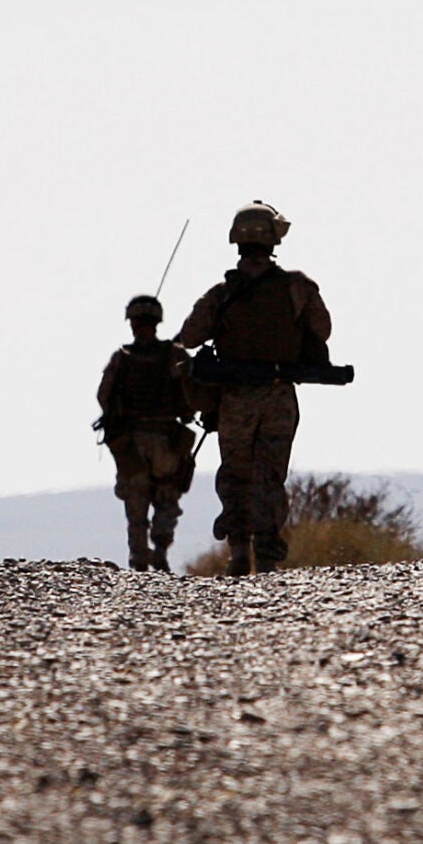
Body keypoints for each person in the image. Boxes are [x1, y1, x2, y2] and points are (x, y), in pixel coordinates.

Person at [173, 203, 333, 575]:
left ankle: (239, 550)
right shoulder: (299, 287)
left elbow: (190, 336)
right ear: (274, 238)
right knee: (270, 472)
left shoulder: (221, 293)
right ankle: (267, 554)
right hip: (278, 395)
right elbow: (322, 331)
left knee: (236, 471)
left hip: (234, 398)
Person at [98, 294, 197, 571]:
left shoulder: (121, 359)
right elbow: (190, 392)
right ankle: (161, 549)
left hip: (131, 441)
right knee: (167, 496)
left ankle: (139, 559)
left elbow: (103, 396)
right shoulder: (174, 355)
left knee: (136, 501)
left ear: (132, 323)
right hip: (167, 438)